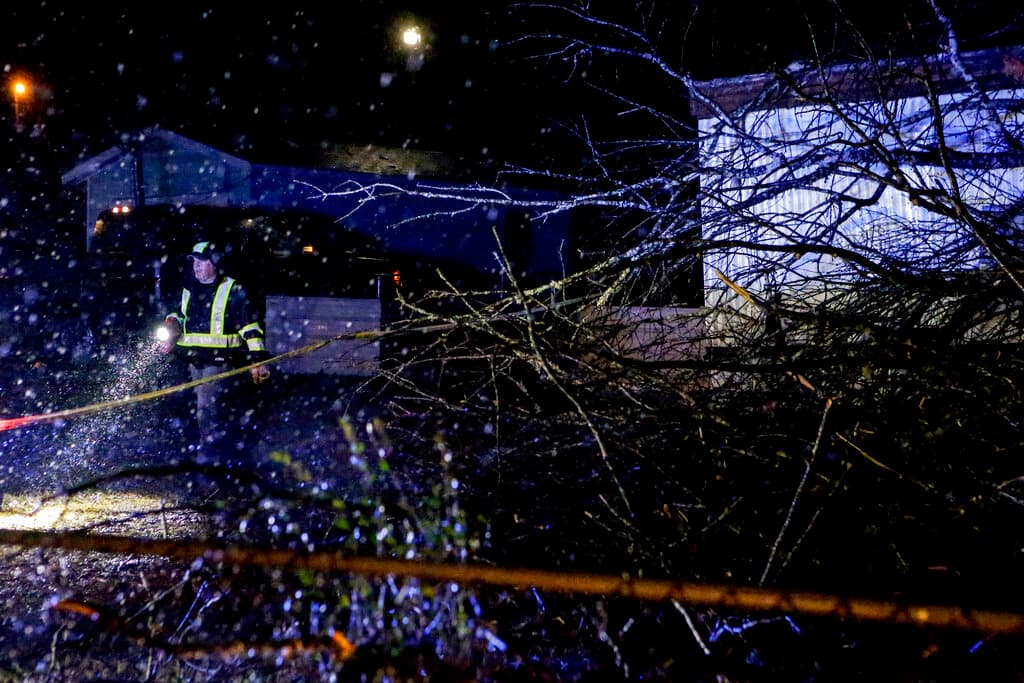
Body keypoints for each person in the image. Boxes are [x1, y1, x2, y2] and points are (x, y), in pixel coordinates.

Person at [156, 240, 271, 475]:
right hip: (188, 360)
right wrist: (171, 327)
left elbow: (249, 327)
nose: (196, 267)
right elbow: (178, 315)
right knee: (182, 404)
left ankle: (209, 457)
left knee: (206, 408)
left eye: (202, 261)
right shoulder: (188, 288)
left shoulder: (232, 289)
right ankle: (187, 452)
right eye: (194, 262)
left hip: (218, 362)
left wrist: (257, 360)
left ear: (215, 264)